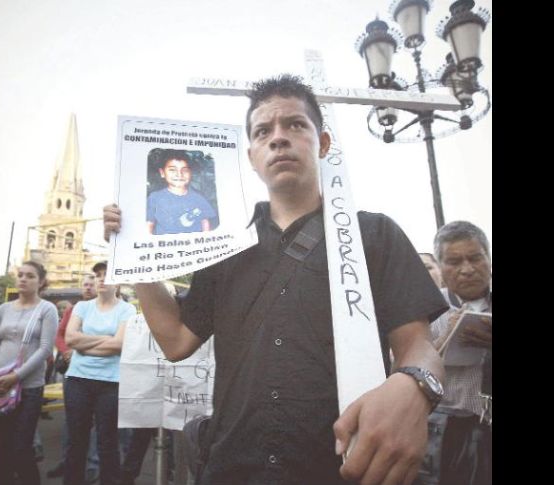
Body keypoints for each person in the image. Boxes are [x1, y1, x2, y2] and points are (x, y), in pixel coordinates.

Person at [104, 74, 449, 485]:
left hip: (342, 468)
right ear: (250, 155)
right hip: (232, 469)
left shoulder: (374, 234)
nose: (278, 138)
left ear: (322, 143)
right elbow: (176, 340)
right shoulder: (223, 244)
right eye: (263, 131)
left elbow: (417, 346)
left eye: (295, 125)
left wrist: (414, 386)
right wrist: (136, 252)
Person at [428, 221, 492, 485]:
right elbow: (402, 368)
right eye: (454, 262)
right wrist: (446, 337)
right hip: (449, 432)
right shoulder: (427, 309)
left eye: (475, 257)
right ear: (441, 268)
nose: (467, 269)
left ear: (488, 258)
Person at [0, 261, 59, 485]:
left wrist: (16, 376)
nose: (23, 279)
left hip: (28, 388)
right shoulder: (3, 309)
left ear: (41, 281)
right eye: (20, 275)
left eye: (30, 276)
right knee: (1, 447)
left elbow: (45, 348)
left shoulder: (47, 309)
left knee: (21, 448)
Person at [64, 261, 136, 485]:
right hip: (77, 379)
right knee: (76, 440)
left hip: (111, 382)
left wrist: (84, 344)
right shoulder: (82, 307)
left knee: (107, 442)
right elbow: (69, 339)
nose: (102, 279)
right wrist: (106, 340)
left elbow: (120, 344)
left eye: (108, 275)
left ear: (119, 283)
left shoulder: (127, 309)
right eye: (98, 275)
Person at [47, 274, 101, 482]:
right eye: (85, 285)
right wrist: (67, 351)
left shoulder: (105, 309)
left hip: (98, 372)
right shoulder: (73, 309)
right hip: (73, 370)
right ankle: (67, 461)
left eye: (91, 285)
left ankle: (92, 464)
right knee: (71, 420)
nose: (87, 288)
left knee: (95, 422)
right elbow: (60, 334)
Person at [146, 149, 217, 235]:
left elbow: (205, 224)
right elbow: (149, 225)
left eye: (185, 170)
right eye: (172, 170)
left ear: (190, 173)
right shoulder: (154, 198)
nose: (179, 174)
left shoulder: (199, 199)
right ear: (162, 173)